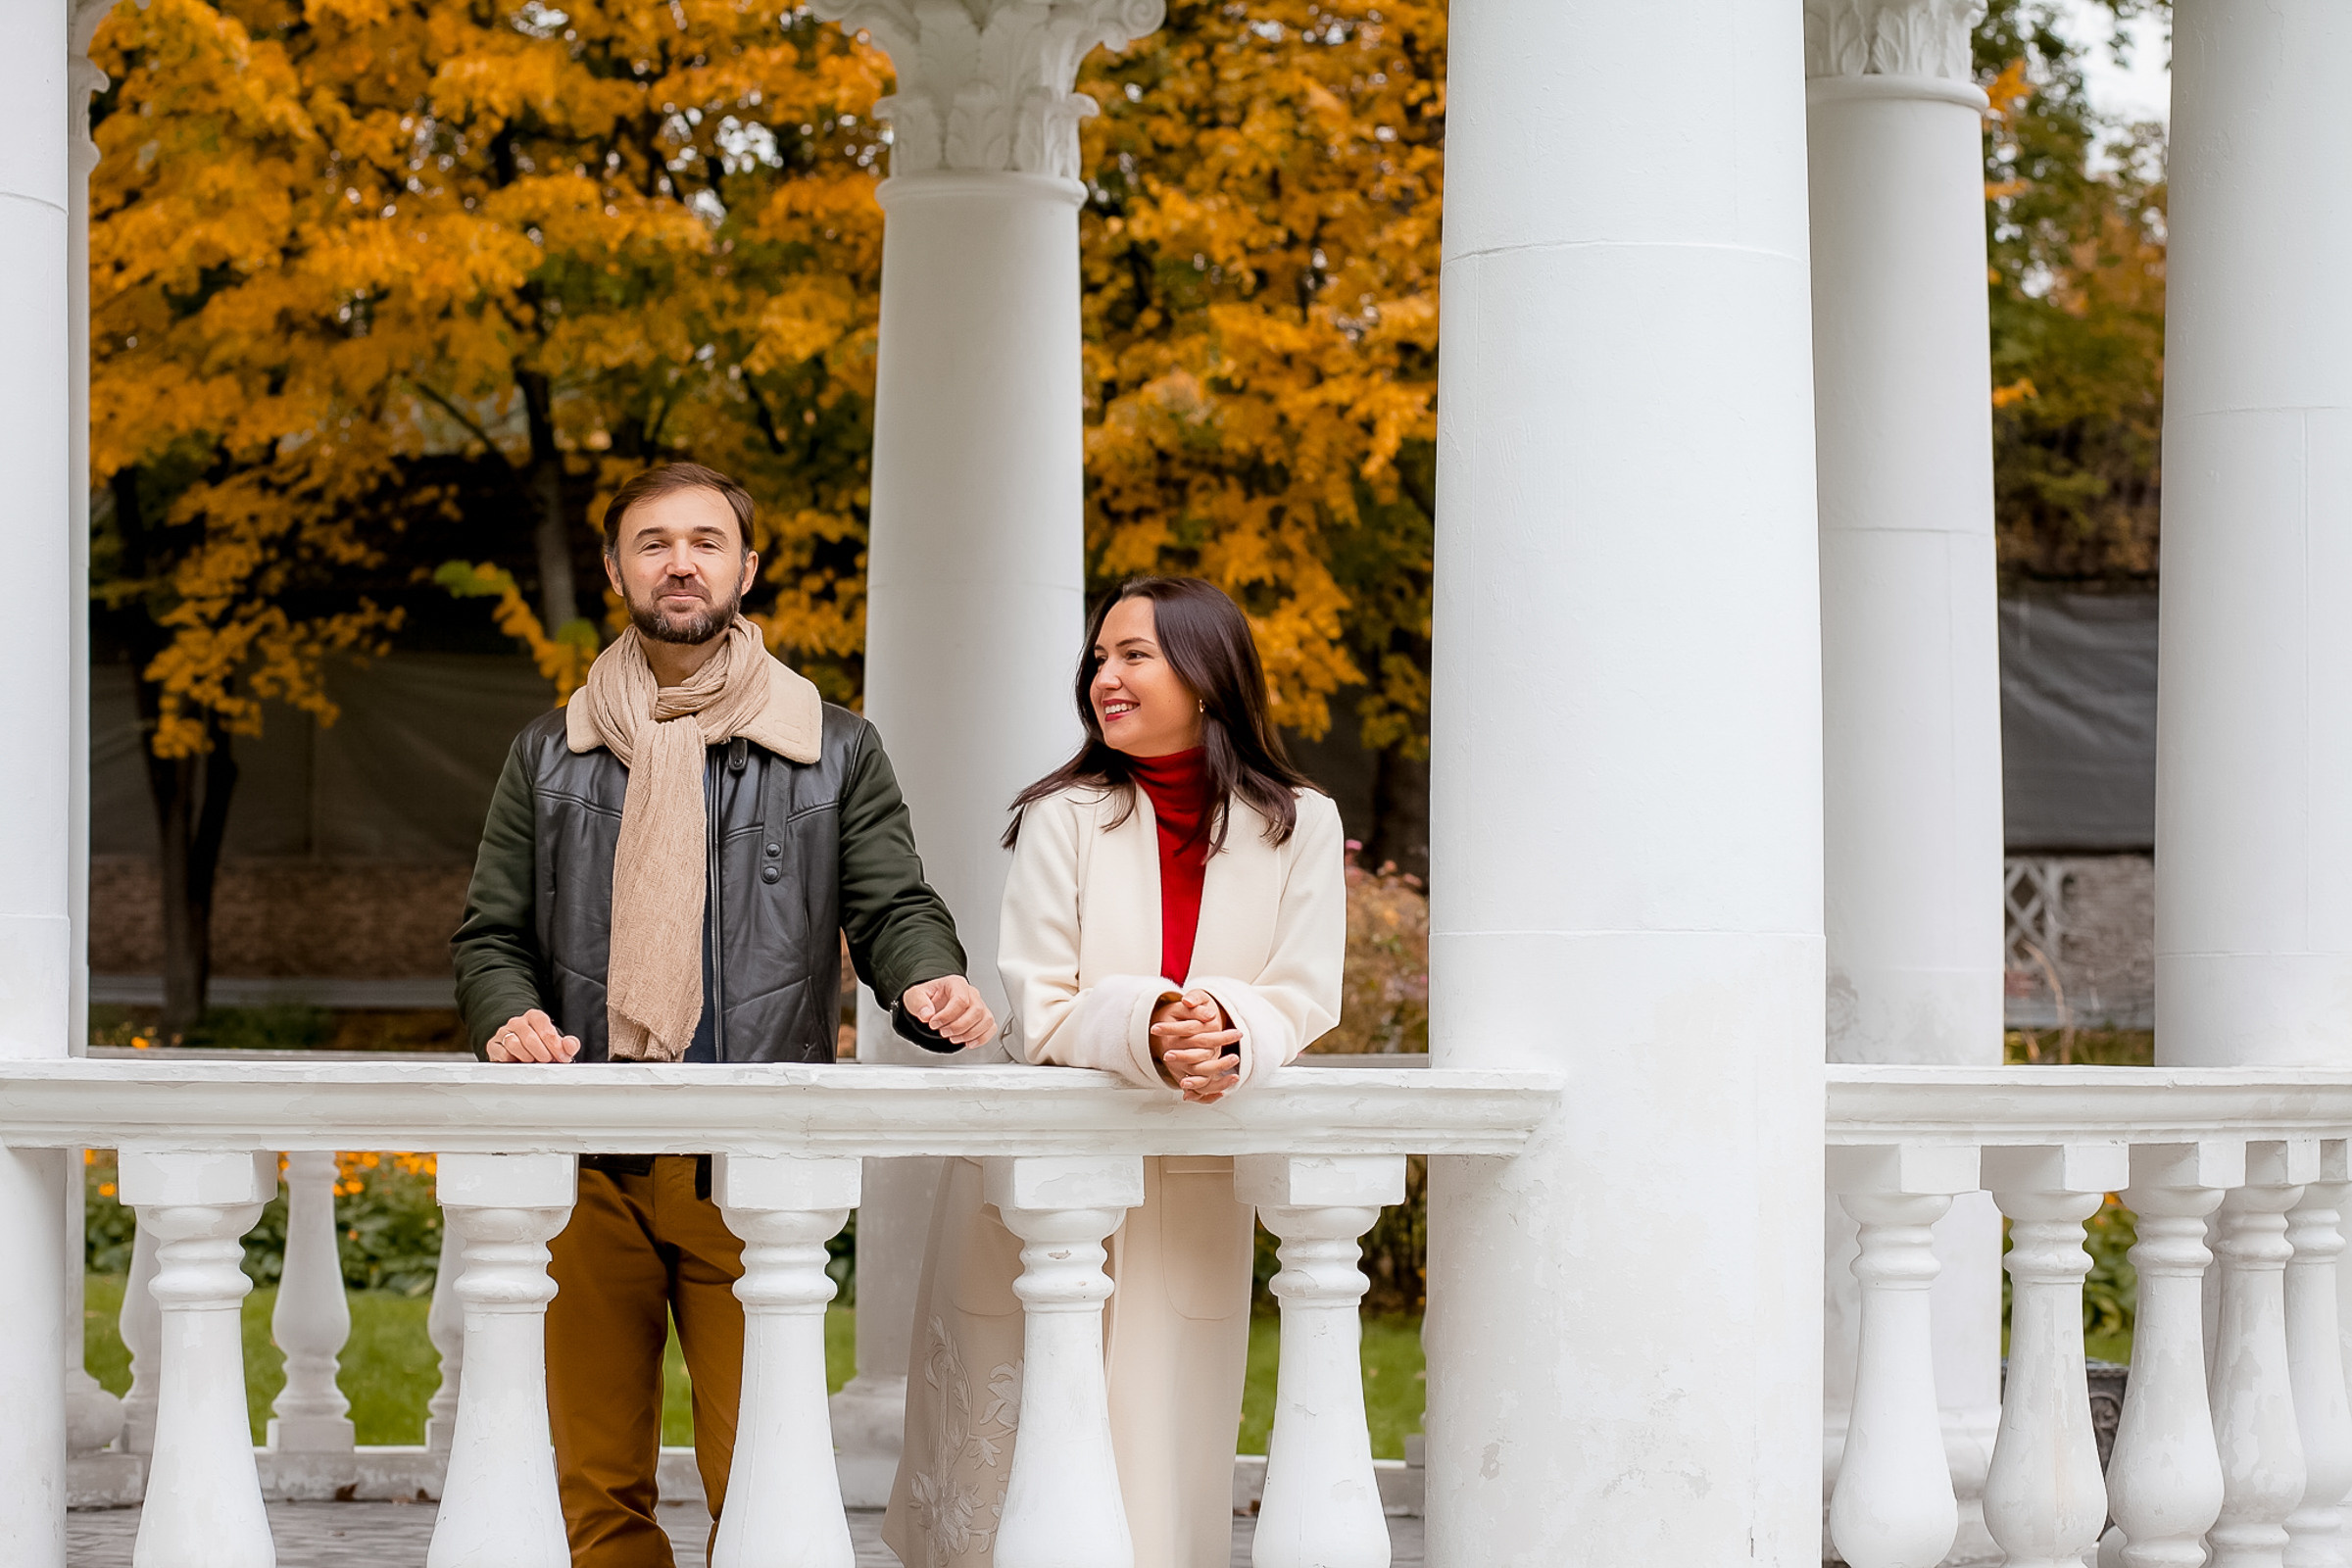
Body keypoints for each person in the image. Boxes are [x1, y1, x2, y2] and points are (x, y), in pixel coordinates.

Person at [451, 461, 995, 1568]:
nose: (681, 562)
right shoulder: (549, 753)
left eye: (706, 541)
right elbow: (489, 937)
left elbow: (893, 907)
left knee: (763, 1481)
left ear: (748, 566)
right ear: (616, 569)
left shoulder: (833, 748)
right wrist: (506, 1011)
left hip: (750, 1170)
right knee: (593, 1490)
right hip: (589, 1165)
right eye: (653, 542)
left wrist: (928, 980)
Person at [883, 576, 1347, 1568]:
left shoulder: (1299, 822)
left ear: (1208, 674)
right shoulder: (1063, 815)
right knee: (1007, 1481)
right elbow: (1040, 1005)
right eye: (1100, 657)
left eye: (1134, 654)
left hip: (1192, 1186)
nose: (1106, 676)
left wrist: (1228, 1027)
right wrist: (1155, 1025)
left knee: (1160, 1483)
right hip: (1041, 1192)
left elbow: (1307, 991)